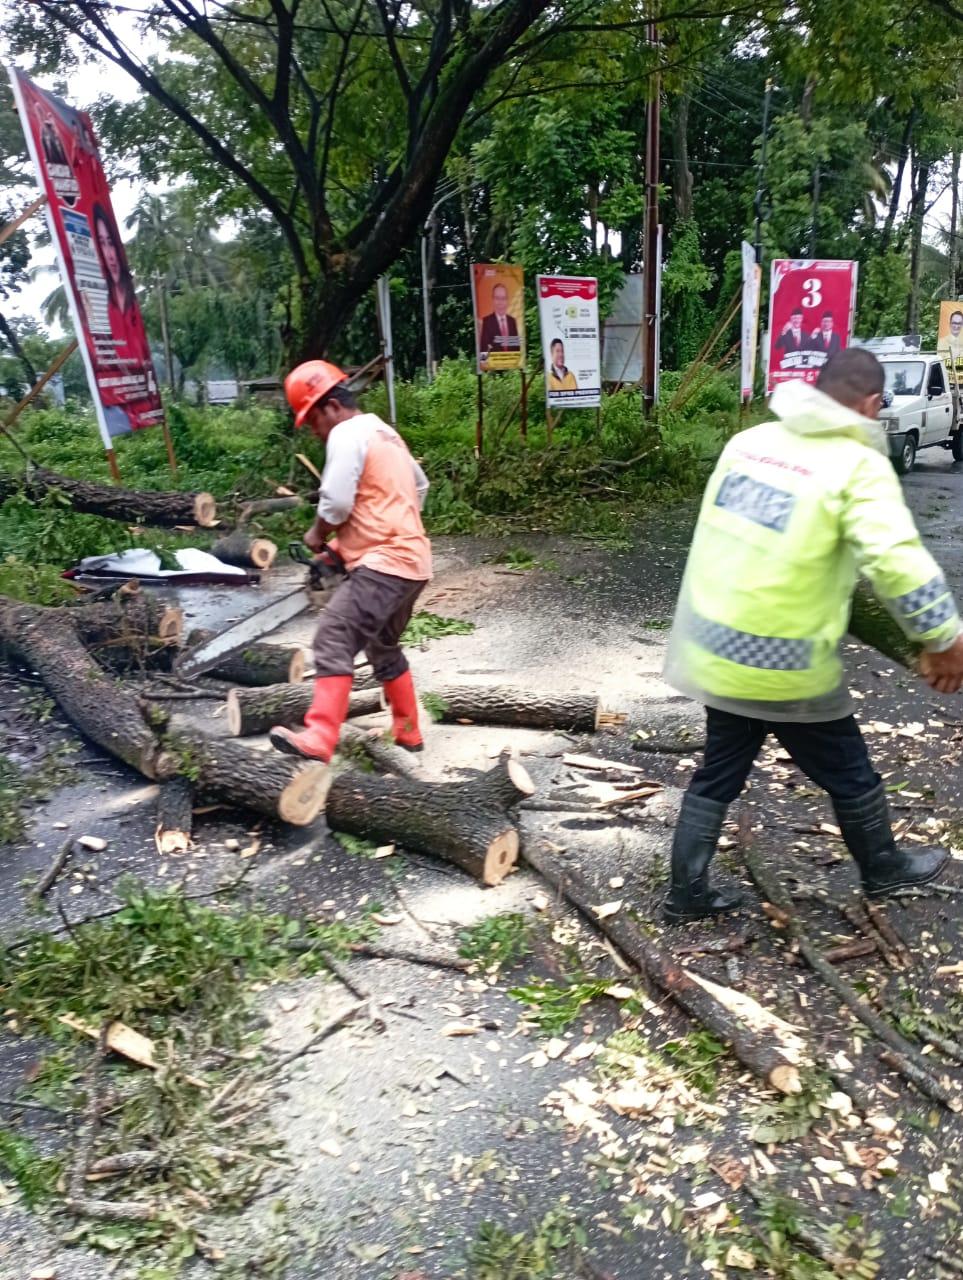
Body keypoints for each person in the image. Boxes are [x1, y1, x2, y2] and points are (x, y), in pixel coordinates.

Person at [661, 348, 963, 923]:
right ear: (873, 404)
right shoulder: (856, 466)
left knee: (720, 769)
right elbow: (898, 563)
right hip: (782, 663)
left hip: (713, 650)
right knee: (850, 768)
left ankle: (686, 893)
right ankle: (882, 868)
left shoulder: (749, 444)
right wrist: (944, 637)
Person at [270, 361, 432, 762]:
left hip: (384, 564)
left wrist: (318, 534)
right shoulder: (385, 432)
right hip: (414, 563)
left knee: (333, 638)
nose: (315, 431)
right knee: (383, 646)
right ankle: (408, 732)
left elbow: (338, 501)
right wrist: (346, 548)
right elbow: (420, 487)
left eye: (312, 422)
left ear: (329, 407)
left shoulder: (345, 433)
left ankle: (320, 738)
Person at [478, 283, 520, 358]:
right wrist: (484, 362)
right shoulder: (487, 321)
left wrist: (519, 367)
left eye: (503, 298)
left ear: (507, 300)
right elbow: (484, 347)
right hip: (493, 366)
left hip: (512, 364)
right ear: (493, 300)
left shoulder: (512, 321)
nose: (500, 302)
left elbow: (516, 345)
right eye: (497, 298)